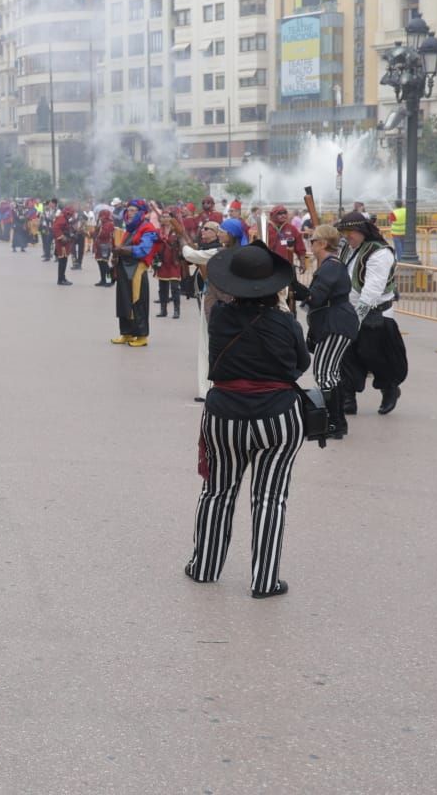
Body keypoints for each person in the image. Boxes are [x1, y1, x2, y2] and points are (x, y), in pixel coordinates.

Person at [185, 243, 310, 598]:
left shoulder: (219, 317)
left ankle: (205, 566)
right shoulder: (285, 322)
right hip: (277, 416)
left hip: (225, 414)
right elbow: (300, 365)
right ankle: (264, 579)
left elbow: (213, 293)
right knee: (270, 497)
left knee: (217, 492)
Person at [337, 211, 407, 416]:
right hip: (347, 311)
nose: (346, 236)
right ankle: (348, 398)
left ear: (362, 230)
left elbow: (371, 293)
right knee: (345, 356)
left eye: (350, 231)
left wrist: (355, 320)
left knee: (375, 356)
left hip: (375, 315)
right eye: (344, 231)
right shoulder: (348, 249)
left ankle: (389, 389)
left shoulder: (380, 253)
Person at [298, 224, 358, 441]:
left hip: (336, 323)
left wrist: (296, 289)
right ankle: (336, 422)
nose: (310, 243)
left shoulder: (331, 266)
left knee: (325, 374)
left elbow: (316, 297)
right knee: (329, 373)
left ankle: (334, 422)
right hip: (334, 322)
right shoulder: (329, 264)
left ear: (322, 243)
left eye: (313, 240)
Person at [182, 219, 238, 401]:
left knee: (208, 345)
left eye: (222, 231)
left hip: (217, 303)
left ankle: (207, 389)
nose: (219, 233)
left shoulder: (220, 252)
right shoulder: (241, 252)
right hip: (229, 303)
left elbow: (191, 255)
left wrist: (183, 241)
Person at [110, 199, 159, 348]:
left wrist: (122, 250)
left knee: (138, 301)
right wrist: (116, 256)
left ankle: (142, 335)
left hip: (137, 269)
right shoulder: (130, 230)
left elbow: (144, 249)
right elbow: (121, 247)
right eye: (128, 210)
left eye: (133, 210)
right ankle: (126, 333)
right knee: (123, 300)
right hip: (124, 268)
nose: (129, 213)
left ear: (141, 213)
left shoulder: (148, 228)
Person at [154, 217, 184, 319]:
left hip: (174, 262)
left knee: (175, 288)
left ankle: (176, 310)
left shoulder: (177, 231)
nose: (165, 219)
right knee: (162, 288)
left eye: (167, 216)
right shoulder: (158, 231)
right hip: (162, 262)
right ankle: (163, 310)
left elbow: (183, 243)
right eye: (163, 216)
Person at [52, 203, 76, 286]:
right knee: (62, 262)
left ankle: (62, 278)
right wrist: (62, 237)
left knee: (64, 261)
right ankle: (60, 279)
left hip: (65, 244)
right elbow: (55, 228)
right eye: (70, 214)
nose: (70, 216)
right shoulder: (61, 218)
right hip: (61, 244)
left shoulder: (64, 218)